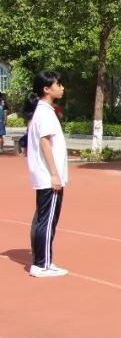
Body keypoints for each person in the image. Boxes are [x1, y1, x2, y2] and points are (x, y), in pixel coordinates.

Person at [23, 71, 70, 277]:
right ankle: (41, 264)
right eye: (58, 84)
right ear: (46, 89)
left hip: (44, 175)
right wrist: (54, 174)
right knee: (47, 220)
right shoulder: (44, 112)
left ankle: (42, 261)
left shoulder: (43, 112)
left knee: (42, 219)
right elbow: (44, 143)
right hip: (48, 176)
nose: (61, 88)